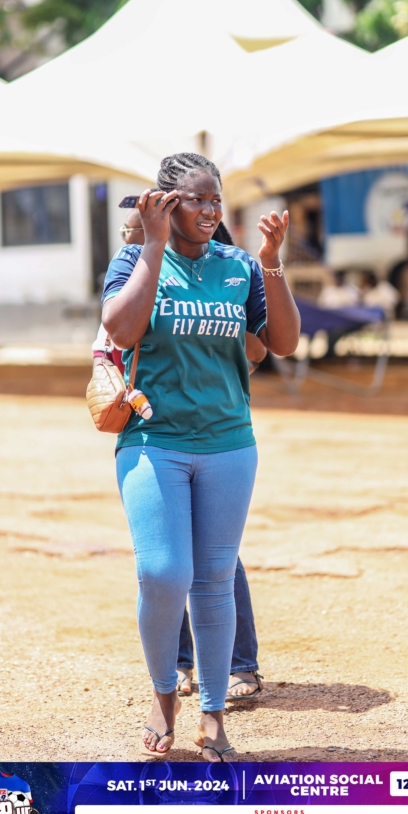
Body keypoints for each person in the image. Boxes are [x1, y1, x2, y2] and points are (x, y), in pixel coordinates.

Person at [101, 152, 300, 761]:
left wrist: (272, 263)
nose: (211, 209)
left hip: (228, 444)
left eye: (217, 199)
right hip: (153, 441)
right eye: (197, 199)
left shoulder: (238, 267)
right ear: (167, 203)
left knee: (214, 581)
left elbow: (284, 343)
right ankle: (165, 694)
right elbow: (121, 330)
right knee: (164, 573)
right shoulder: (135, 259)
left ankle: (213, 715)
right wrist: (154, 245)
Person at [101, 212, 266, 702]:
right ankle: (176, 665)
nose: (133, 238)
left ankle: (238, 664)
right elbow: (112, 339)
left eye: (137, 230)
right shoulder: (133, 271)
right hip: (156, 437)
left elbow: (259, 348)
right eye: (130, 233)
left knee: (217, 566)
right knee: (166, 567)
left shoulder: (227, 270)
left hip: (219, 439)